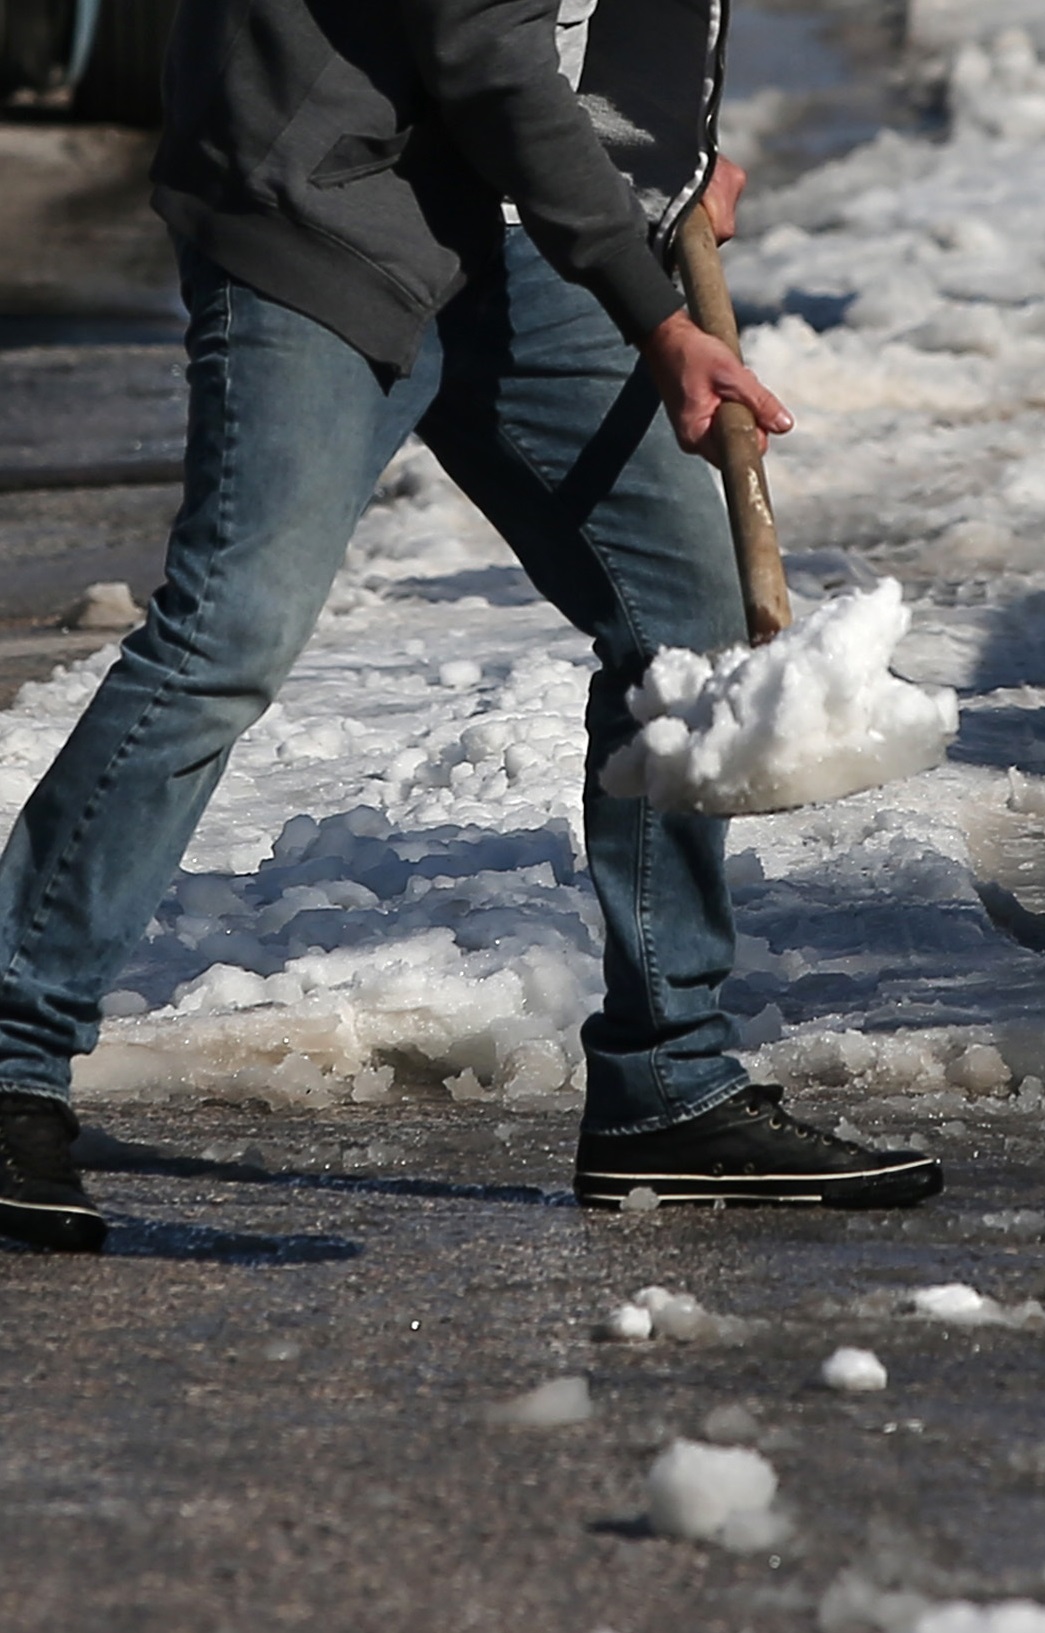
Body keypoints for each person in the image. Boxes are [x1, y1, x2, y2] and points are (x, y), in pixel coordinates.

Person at [0, 0, 943, 1253]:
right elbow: (479, 43)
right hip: (329, 209)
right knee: (229, 632)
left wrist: (654, 168)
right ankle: (11, 1049)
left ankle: (669, 1085)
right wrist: (647, 298)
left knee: (685, 625)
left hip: (520, 230)